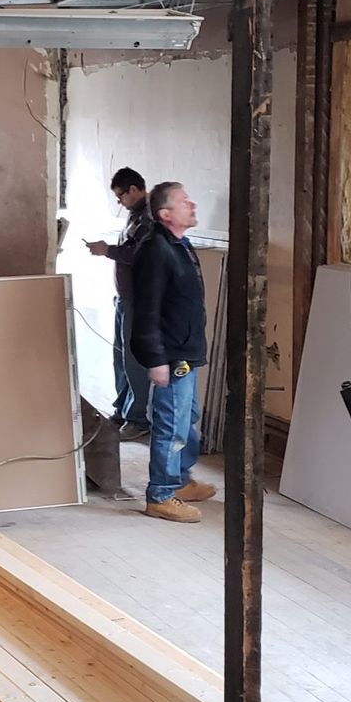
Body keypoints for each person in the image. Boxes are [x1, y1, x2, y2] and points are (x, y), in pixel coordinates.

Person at [129, 181, 217, 523]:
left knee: (186, 417)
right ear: (166, 214)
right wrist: (156, 359)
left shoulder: (180, 245)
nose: (192, 205)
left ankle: (179, 480)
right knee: (172, 425)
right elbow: (146, 310)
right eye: (184, 201)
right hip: (171, 355)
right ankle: (161, 495)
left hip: (186, 350)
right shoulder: (156, 251)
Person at [86, 167, 154, 439]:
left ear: (134, 190)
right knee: (121, 358)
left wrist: (108, 251)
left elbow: (140, 255)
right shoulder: (135, 215)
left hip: (139, 299)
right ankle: (122, 411)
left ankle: (137, 419)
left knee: (134, 360)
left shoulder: (150, 217)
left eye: (121, 196)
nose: (120, 202)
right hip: (125, 298)